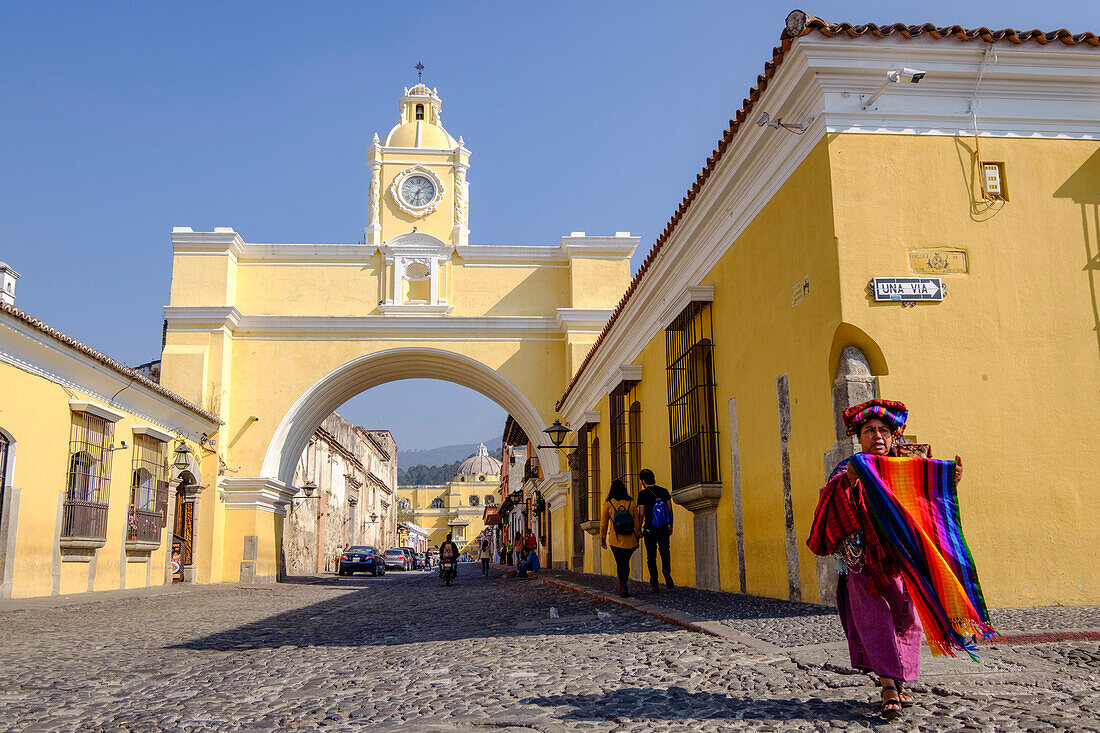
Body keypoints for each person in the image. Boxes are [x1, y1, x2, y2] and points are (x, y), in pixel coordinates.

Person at [808, 399, 964, 721]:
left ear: (894, 436)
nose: (877, 436)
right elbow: (831, 500)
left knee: (907, 618)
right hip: (859, 562)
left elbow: (928, 500)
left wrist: (950, 481)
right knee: (873, 619)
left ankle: (901, 677)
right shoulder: (850, 467)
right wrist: (850, 480)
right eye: (869, 431)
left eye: (883, 430)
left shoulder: (908, 465)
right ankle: (888, 687)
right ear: (859, 437)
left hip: (901, 558)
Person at [599, 479, 642, 598]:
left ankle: (622, 585)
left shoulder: (608, 503)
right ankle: (624, 584)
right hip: (630, 540)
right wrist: (638, 536)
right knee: (626, 563)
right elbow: (636, 522)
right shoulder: (631, 502)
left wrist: (602, 539)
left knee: (619, 563)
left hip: (615, 540)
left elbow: (603, 523)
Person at [637, 468, 674, 593]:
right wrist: (671, 526)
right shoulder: (664, 491)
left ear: (643, 481)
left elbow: (641, 514)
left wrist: (638, 529)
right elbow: (669, 510)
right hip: (663, 528)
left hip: (649, 529)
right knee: (665, 552)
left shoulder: (642, 494)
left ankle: (654, 584)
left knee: (651, 557)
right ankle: (666, 572)